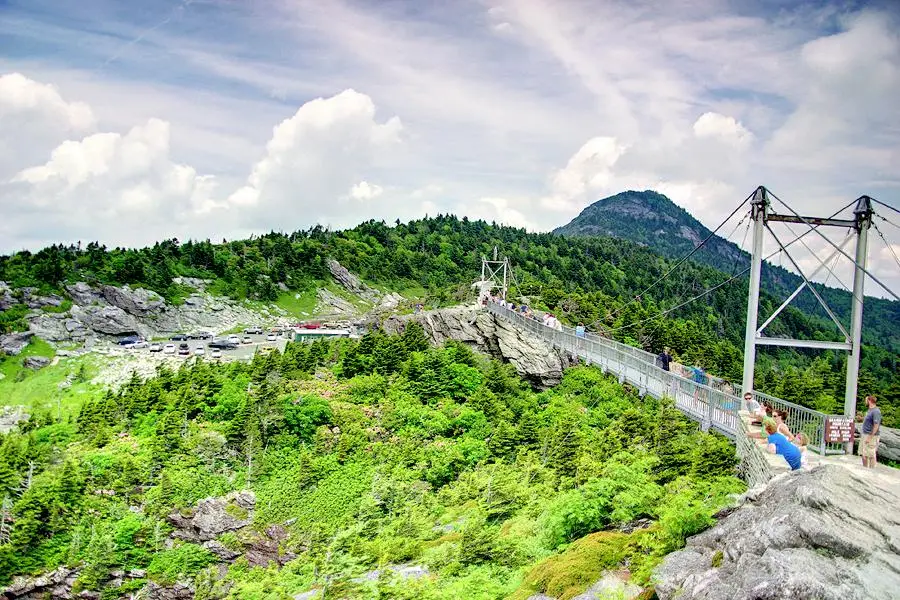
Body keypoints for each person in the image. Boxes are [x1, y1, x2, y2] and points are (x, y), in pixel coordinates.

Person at [860, 395, 881, 468]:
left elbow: (876, 425)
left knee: (871, 454)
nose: (865, 402)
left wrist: (870, 437)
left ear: (869, 401)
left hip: (871, 436)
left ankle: (872, 471)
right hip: (865, 434)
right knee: (864, 454)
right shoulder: (869, 410)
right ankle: (865, 469)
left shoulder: (876, 411)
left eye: (866, 400)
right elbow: (869, 421)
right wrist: (861, 418)